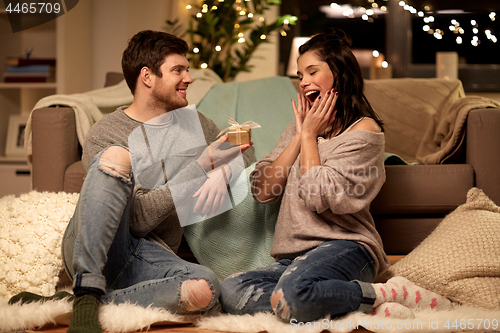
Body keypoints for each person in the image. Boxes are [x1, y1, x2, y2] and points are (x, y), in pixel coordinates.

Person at [9, 30, 254, 333]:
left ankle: (78, 304)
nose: (189, 78)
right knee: (115, 157)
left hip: (150, 256)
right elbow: (137, 218)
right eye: (178, 70)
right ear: (147, 77)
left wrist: (224, 170)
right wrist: (202, 166)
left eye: (187, 69)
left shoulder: (193, 123)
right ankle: (87, 288)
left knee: (205, 289)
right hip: (100, 247)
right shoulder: (108, 131)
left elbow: (243, 147)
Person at [219, 28, 453, 322]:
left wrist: (309, 139)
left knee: (293, 294)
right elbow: (263, 192)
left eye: (312, 71)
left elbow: (318, 197)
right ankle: (348, 301)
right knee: (231, 290)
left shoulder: (364, 133)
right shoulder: (299, 130)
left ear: (339, 73)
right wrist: (300, 136)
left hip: (347, 248)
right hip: (294, 258)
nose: (303, 82)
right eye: (300, 74)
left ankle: (384, 294)